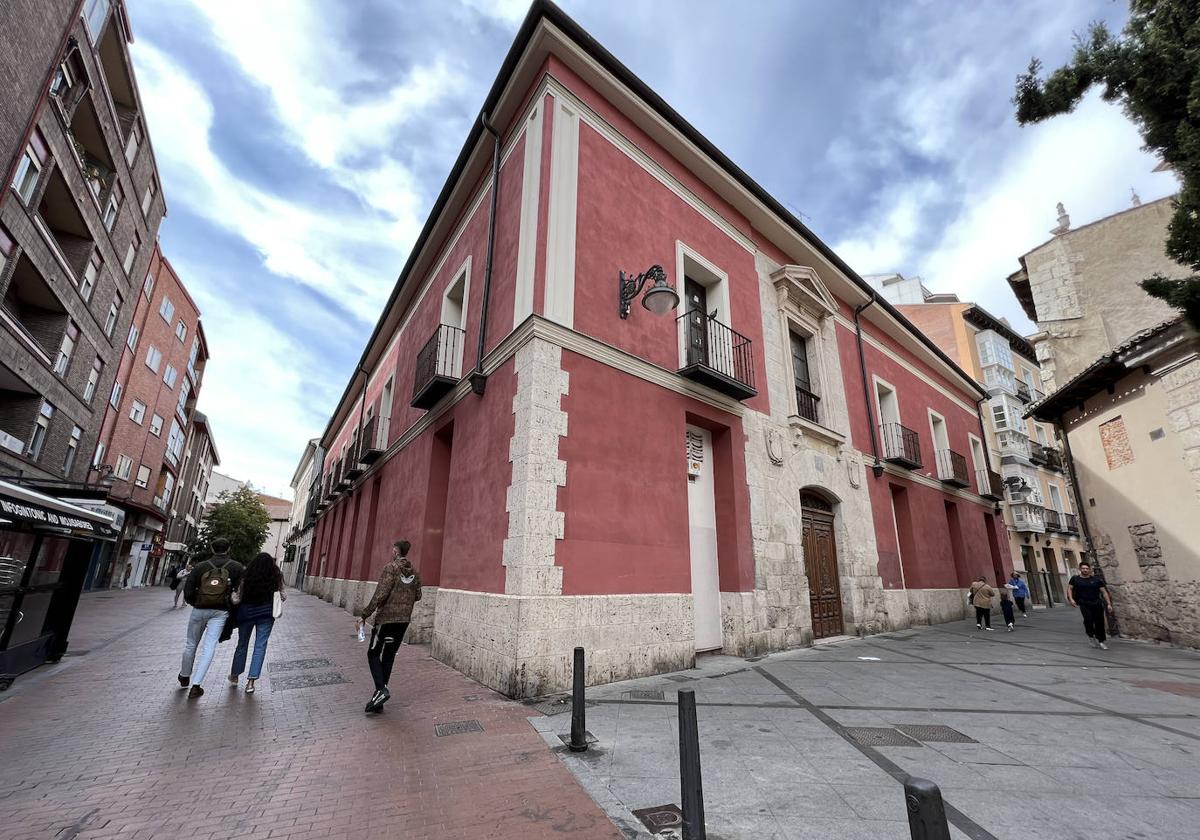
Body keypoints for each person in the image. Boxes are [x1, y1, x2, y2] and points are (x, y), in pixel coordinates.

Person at [358, 539, 422, 713]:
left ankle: (381, 690)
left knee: (373, 654)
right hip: (402, 622)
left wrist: (365, 614)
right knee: (388, 656)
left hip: (385, 620)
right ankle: (379, 699)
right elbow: (418, 595)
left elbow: (381, 594)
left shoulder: (390, 568)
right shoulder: (414, 572)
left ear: (395, 551)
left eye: (392, 550)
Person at [178, 538, 244, 699]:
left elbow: (188, 591)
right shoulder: (236, 567)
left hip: (199, 609)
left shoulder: (201, 566)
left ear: (212, 549)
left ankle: (185, 675)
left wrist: (197, 602)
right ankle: (196, 685)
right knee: (209, 647)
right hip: (221, 611)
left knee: (191, 644)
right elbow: (240, 592)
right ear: (228, 549)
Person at [228, 552, 285, 694]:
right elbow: (283, 596)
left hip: (246, 614)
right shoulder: (276, 577)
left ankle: (235, 675)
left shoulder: (246, 576)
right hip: (266, 614)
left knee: (242, 644)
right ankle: (251, 682)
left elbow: (237, 599)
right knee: (260, 646)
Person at [1068, 561, 1114, 649]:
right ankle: (1091, 636)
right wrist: (1071, 599)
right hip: (1084, 603)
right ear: (1080, 569)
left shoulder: (1096, 580)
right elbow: (1070, 588)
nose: (1085, 570)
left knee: (1099, 622)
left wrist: (1109, 604)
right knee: (1088, 620)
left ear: (1089, 569)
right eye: (1083, 568)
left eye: (1087, 569)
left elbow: (1104, 592)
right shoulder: (1075, 579)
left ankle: (1101, 641)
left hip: (1097, 603)